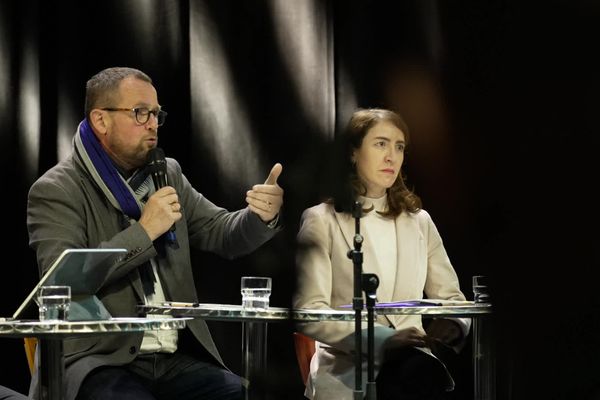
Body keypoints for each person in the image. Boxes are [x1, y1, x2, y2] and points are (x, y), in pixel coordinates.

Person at [26, 67, 284, 400]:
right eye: (139, 113)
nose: (152, 123)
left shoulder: (168, 173)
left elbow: (222, 233)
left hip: (174, 359)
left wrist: (260, 216)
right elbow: (61, 284)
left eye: (155, 113)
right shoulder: (57, 190)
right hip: (99, 360)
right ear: (100, 120)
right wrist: (145, 231)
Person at [293, 108, 471, 400]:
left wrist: (452, 325)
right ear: (353, 153)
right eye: (381, 144)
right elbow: (310, 312)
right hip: (348, 369)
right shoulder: (320, 219)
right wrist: (385, 339)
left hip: (416, 372)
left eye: (399, 147)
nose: (392, 156)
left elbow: (453, 299)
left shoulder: (419, 221)